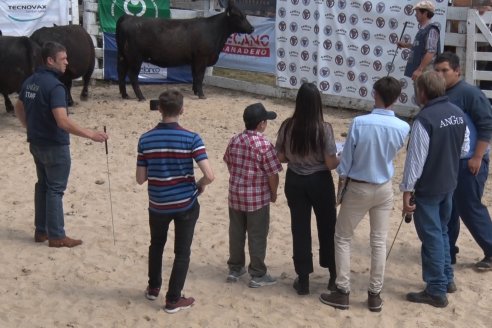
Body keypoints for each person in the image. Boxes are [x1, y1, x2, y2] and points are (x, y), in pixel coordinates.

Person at [318, 77, 410, 312]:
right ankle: (374, 294)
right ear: (397, 98)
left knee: (343, 237)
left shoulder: (360, 122)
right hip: (384, 186)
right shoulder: (403, 127)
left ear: (374, 94)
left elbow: (346, 163)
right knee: (378, 241)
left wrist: (342, 172)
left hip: (359, 185)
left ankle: (343, 290)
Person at [14, 41, 108, 248]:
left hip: (36, 142)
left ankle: (41, 231)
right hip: (53, 145)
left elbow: (18, 106)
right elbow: (63, 121)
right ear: (50, 60)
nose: (67, 62)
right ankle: (56, 235)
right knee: (55, 189)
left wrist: (28, 127)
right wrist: (91, 134)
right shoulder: (55, 86)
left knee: (43, 186)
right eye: (63, 59)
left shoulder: (30, 81)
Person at [136, 89, 214, 313]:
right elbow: (209, 175)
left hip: (158, 203)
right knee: (182, 251)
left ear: (159, 109)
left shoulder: (146, 139)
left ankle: (153, 287)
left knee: (156, 245)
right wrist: (199, 185)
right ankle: (173, 298)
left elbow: (140, 179)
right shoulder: (191, 138)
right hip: (184, 203)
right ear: (182, 110)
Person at [400, 71, 469, 308]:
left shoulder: (424, 120)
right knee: (441, 233)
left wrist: (407, 191)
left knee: (431, 238)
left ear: (422, 92)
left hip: (429, 187)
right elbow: (464, 148)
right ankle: (447, 279)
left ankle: (437, 289)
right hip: (449, 182)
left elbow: (415, 162)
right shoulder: (458, 114)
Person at [275, 82, 339, 295]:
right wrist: (341, 157)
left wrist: (296, 157)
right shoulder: (324, 128)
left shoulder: (287, 126)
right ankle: (333, 274)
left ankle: (303, 279)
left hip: (295, 180)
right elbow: (330, 164)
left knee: (299, 228)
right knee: (328, 227)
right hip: (320, 180)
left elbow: (280, 157)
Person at [434, 52, 492, 269]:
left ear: (457, 71)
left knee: (469, 207)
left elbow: (486, 125)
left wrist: (477, 156)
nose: (440, 74)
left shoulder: (469, 93)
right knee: (448, 209)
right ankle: (448, 251)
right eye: (437, 70)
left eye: (444, 70)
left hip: (469, 162)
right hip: (449, 162)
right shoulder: (439, 92)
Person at [223, 103, 282, 288]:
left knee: (236, 232)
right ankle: (257, 273)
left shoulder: (235, 139)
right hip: (257, 197)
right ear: (262, 124)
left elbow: (228, 162)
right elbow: (273, 174)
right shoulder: (264, 145)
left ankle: (235, 267)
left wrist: (238, 177)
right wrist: (273, 194)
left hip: (236, 194)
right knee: (257, 235)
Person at [398, 0, 440, 81]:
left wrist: (419, 69)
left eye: (417, 12)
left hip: (427, 72)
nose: (415, 15)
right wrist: (405, 45)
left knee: (425, 93)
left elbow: (431, 52)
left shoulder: (431, 30)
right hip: (423, 71)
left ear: (425, 13)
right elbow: (420, 47)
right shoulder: (423, 30)